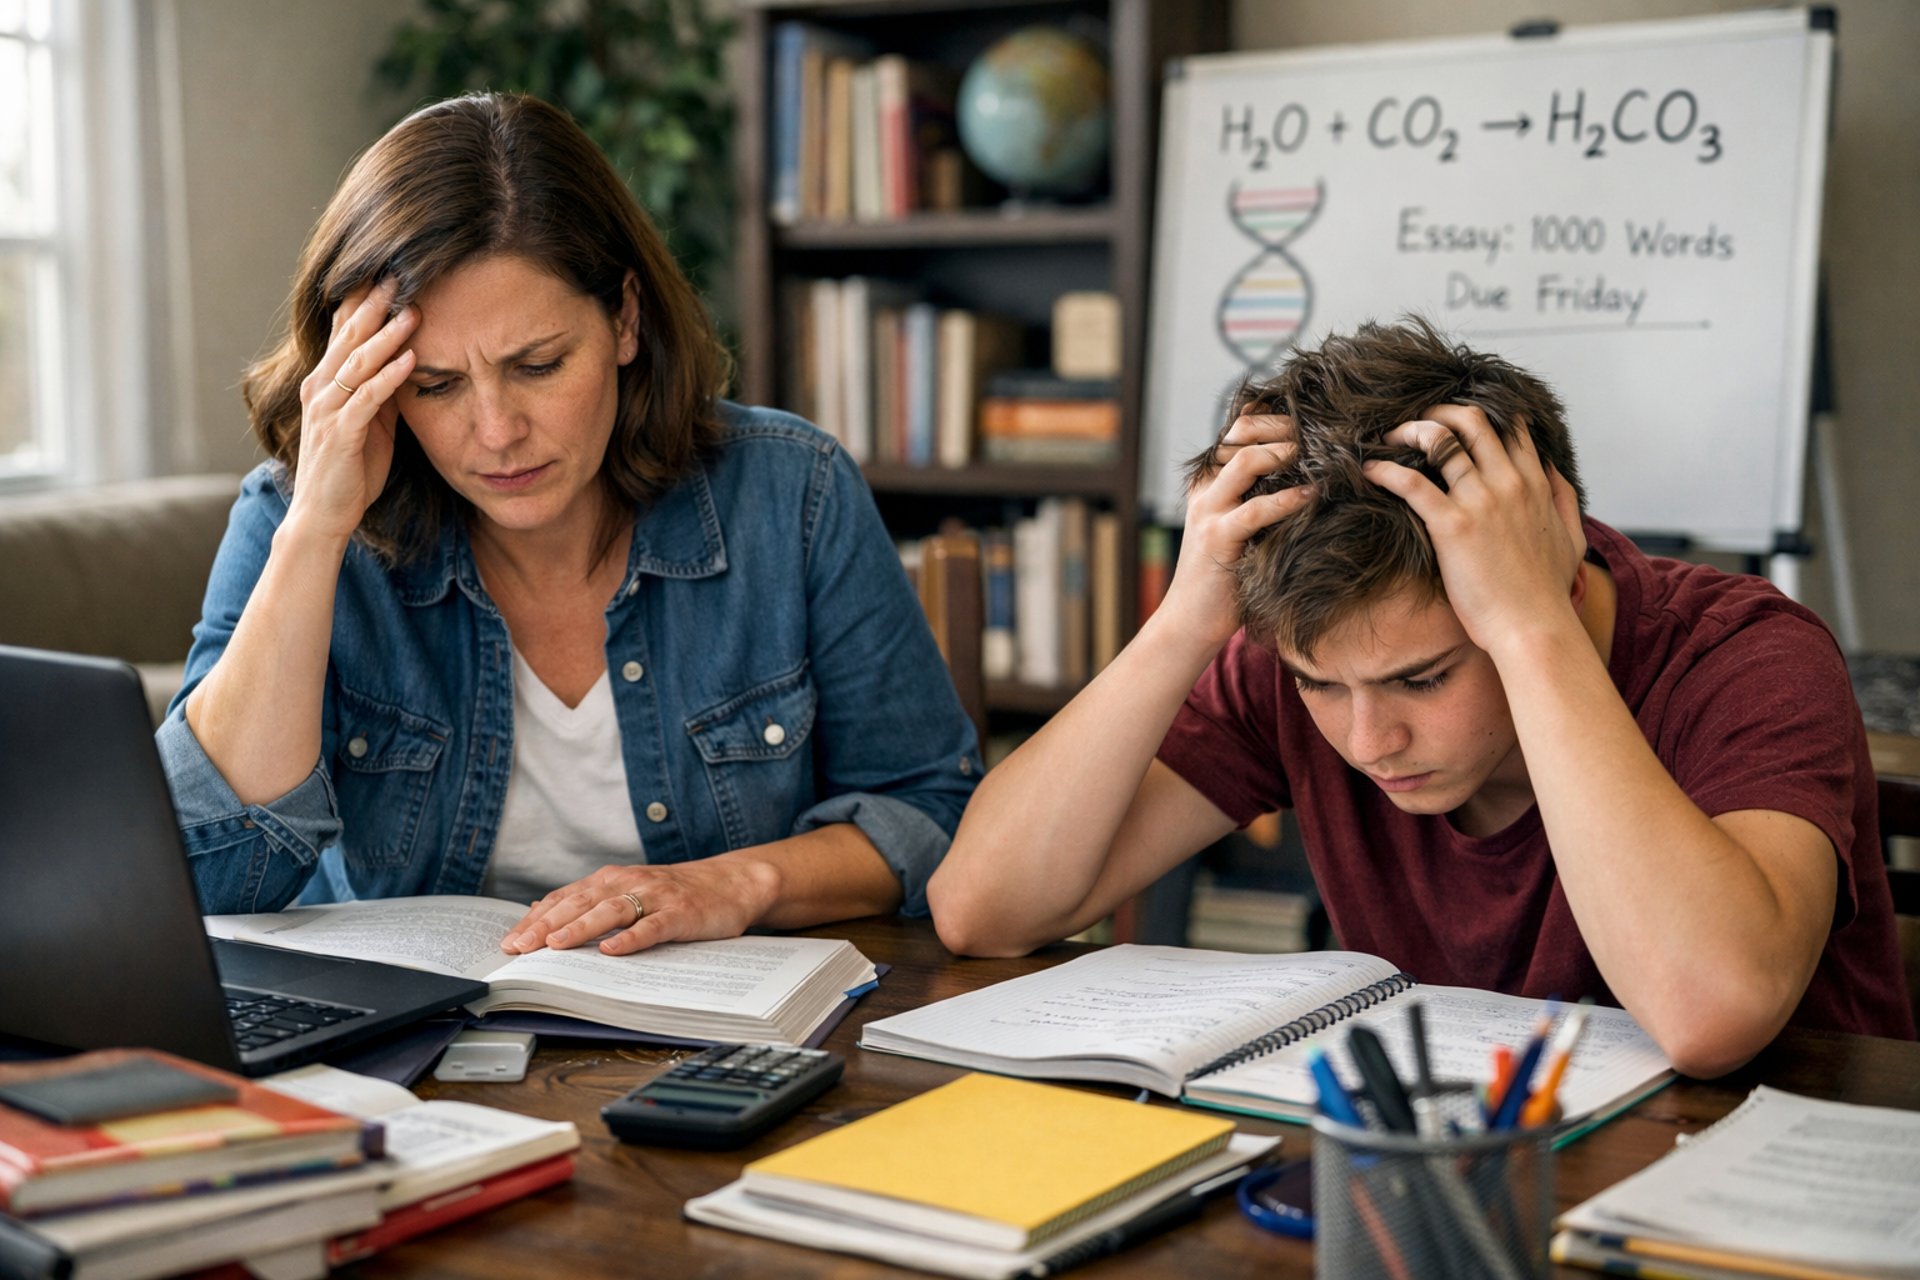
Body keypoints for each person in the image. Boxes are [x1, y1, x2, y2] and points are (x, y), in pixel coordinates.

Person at [929, 318, 1913, 1076]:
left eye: (1425, 676)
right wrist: (1186, 620)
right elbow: (982, 908)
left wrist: (1532, 630)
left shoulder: (1745, 654)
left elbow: (1712, 1012)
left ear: (1552, 563)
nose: (1370, 738)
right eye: (1322, 685)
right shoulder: (1307, 653)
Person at [158, 92, 978, 956]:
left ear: (624, 319)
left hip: (721, 1034)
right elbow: (208, 877)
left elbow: (928, 815)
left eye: (539, 365)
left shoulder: (791, 493)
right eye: (435, 385)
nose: (498, 431)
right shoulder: (294, 519)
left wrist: (734, 883)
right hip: (411, 1053)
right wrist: (317, 535)